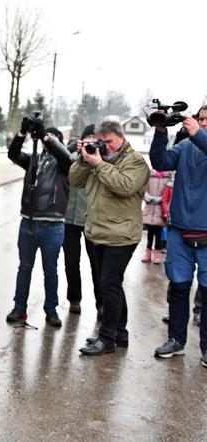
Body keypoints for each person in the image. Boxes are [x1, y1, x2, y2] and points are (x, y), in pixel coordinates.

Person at [70, 121, 150, 356]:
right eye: (101, 142)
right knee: (112, 284)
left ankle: (107, 338)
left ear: (121, 138)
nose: (106, 146)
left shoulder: (134, 161)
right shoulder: (98, 159)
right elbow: (74, 180)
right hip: (100, 232)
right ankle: (119, 332)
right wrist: (84, 159)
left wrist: (99, 164)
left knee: (108, 285)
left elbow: (125, 186)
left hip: (122, 235)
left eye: (109, 142)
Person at [150, 105, 207, 364]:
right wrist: (161, 131)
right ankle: (176, 340)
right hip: (179, 230)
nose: (202, 123)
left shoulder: (198, 139)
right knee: (179, 288)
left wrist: (197, 133)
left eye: (206, 120)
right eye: (200, 119)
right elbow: (160, 163)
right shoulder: (186, 147)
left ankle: (206, 348)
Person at [5, 120, 72, 328]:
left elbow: (65, 157)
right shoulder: (34, 159)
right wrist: (22, 132)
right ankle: (19, 308)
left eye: (52, 138)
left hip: (52, 225)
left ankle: (51, 310)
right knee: (24, 267)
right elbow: (13, 154)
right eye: (45, 137)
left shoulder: (65, 163)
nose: (47, 141)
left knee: (50, 270)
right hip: (28, 222)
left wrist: (46, 137)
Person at [62, 125, 102, 316]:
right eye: (88, 139)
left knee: (97, 264)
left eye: (95, 139)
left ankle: (101, 304)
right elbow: (62, 162)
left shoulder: (101, 161)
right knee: (71, 262)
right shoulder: (74, 158)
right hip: (69, 219)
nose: (91, 143)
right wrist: (74, 150)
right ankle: (74, 299)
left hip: (92, 219)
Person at [141, 169, 171, 264]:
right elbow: (143, 189)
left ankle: (156, 253)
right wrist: (147, 197)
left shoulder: (168, 176)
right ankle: (148, 252)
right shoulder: (149, 174)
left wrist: (161, 199)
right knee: (150, 233)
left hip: (160, 209)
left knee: (158, 234)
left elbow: (169, 192)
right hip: (150, 208)